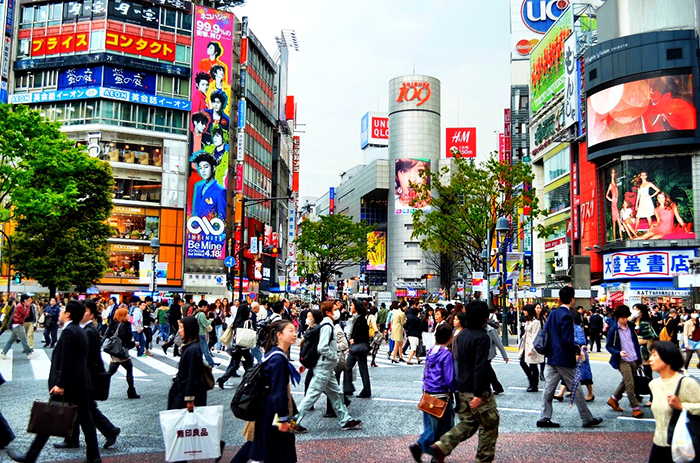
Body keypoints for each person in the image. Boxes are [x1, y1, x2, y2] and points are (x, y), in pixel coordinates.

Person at [7, 301, 101, 463]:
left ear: (68, 314)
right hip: (81, 382)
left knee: (49, 417)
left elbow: (67, 361)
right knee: (86, 420)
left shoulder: (70, 332)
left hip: (70, 384)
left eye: (63, 310)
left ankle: (30, 456)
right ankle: (94, 457)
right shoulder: (78, 330)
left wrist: (61, 384)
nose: (61, 311)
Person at [430, 301, 499, 463]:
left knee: (468, 422)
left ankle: (442, 445)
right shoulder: (482, 337)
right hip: (477, 390)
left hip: (462, 387)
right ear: (484, 317)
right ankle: (483, 460)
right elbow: (480, 366)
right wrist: (479, 393)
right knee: (489, 425)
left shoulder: (461, 336)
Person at [56, 300, 120, 450]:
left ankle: (104, 432)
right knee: (85, 409)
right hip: (85, 376)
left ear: (91, 313)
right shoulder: (84, 329)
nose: (82, 313)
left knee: (85, 409)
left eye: (85, 310)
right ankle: (104, 432)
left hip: (87, 375)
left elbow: (84, 358)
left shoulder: (89, 331)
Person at [537, 286, 602, 429]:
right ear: (572, 299)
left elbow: (546, 332)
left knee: (548, 388)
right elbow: (567, 339)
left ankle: (544, 417)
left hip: (552, 356)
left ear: (559, 299)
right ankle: (587, 418)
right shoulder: (566, 315)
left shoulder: (553, 313)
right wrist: (577, 349)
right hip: (564, 358)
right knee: (576, 387)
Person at [293, 303, 362, 433]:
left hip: (326, 367)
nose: (338, 312)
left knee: (335, 394)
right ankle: (293, 421)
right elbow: (322, 347)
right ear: (329, 312)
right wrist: (334, 356)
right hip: (324, 366)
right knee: (312, 395)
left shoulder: (326, 324)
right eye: (335, 310)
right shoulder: (327, 326)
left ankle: (345, 420)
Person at [249, 320, 301, 463]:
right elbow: (278, 391)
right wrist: (284, 418)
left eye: (295, 331)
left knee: (273, 449)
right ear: (279, 334)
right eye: (290, 331)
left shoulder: (274, 354)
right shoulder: (278, 359)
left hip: (268, 410)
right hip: (275, 413)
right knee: (280, 452)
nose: (294, 334)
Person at [647, 341, 700, 462]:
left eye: (654, 355)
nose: (650, 359)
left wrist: (682, 406)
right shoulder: (653, 384)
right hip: (658, 444)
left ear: (668, 357)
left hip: (681, 445)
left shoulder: (686, 383)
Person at [410, 324, 456, 462]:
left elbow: (426, 372)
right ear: (450, 337)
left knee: (429, 426)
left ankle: (421, 446)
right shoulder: (446, 354)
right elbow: (449, 378)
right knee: (446, 427)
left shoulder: (431, 351)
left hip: (428, 394)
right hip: (441, 395)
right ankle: (434, 454)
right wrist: (456, 388)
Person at [606, 304, 645, 418]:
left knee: (626, 380)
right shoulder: (614, 330)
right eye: (622, 318)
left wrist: (638, 359)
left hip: (633, 358)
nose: (624, 320)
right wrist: (618, 353)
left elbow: (635, 344)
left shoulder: (631, 327)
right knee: (629, 383)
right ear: (617, 317)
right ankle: (635, 408)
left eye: (626, 317)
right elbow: (608, 346)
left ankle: (613, 399)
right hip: (622, 360)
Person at [168, 316, 208, 410]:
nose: (179, 331)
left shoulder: (193, 349)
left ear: (189, 328)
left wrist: (189, 398)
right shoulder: (190, 346)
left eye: (181, 327)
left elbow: (192, 375)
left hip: (185, 392)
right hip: (183, 389)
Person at [105, 306, 140, 399]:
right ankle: (131, 391)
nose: (129, 315)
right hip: (121, 352)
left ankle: (99, 387)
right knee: (129, 370)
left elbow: (107, 335)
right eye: (127, 314)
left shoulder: (114, 324)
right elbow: (125, 340)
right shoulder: (123, 326)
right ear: (123, 316)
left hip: (114, 352)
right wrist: (134, 344)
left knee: (111, 372)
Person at [344, 299, 371, 399]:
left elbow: (364, 336)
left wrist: (354, 340)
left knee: (362, 369)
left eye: (352, 305)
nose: (350, 307)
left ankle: (365, 390)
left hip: (358, 348)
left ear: (356, 308)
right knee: (347, 366)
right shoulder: (356, 318)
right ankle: (348, 388)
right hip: (355, 348)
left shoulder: (361, 320)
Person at [190, 151, 226, 221]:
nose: (202, 171)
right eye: (200, 168)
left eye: (206, 167)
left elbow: (222, 217)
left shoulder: (220, 191)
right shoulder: (198, 186)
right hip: (196, 228)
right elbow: (195, 211)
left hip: (211, 229)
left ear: (214, 168)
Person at [0, 294, 38, 360]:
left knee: (11, 340)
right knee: (24, 340)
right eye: (28, 300)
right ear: (25, 300)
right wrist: (28, 306)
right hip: (18, 325)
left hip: (16, 325)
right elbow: (26, 314)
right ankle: (29, 353)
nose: (30, 302)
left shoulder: (21, 305)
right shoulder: (20, 306)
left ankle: (3, 353)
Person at [520, 304, 545, 393]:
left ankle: (534, 384)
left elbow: (535, 336)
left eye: (525, 310)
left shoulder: (535, 322)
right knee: (523, 363)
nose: (524, 312)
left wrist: (531, 349)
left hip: (532, 347)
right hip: (526, 346)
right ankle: (532, 382)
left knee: (533, 365)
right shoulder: (528, 321)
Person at [194, 301, 218, 368]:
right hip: (201, 333)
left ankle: (198, 363)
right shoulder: (201, 314)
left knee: (200, 350)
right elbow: (205, 324)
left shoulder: (197, 313)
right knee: (205, 350)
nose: (206, 308)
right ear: (203, 306)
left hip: (197, 333)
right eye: (206, 306)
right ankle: (211, 363)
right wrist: (210, 320)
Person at [606, 168, 621, 240]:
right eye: (612, 173)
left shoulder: (615, 184)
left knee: (619, 223)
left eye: (614, 173)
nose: (613, 174)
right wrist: (611, 199)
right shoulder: (611, 185)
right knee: (614, 223)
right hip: (614, 203)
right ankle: (615, 239)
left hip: (616, 202)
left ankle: (620, 238)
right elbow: (607, 195)